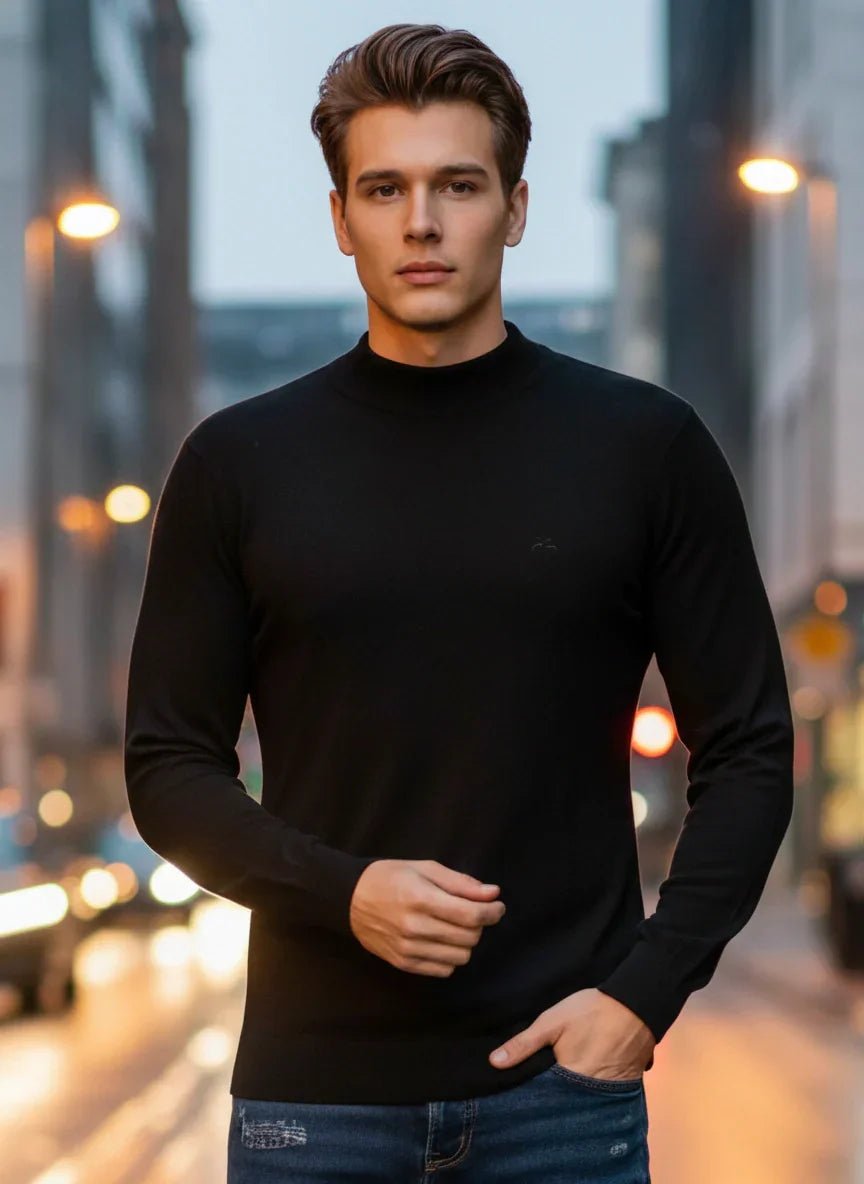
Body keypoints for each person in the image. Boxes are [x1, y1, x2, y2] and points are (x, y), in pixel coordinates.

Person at [123, 21, 794, 1183]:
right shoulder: (238, 463)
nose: (421, 222)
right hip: (312, 1103)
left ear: (517, 207)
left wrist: (642, 995)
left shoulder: (644, 448)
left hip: (562, 1098)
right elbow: (167, 765)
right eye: (383, 188)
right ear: (341, 219)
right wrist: (348, 892)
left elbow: (750, 748)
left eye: (458, 185)